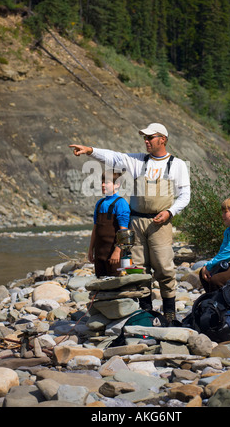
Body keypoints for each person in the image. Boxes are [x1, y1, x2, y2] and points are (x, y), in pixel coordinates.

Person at [69, 122, 190, 321]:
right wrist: (90, 151)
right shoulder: (138, 161)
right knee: (138, 269)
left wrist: (170, 212)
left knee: (165, 268)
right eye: (145, 137)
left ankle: (169, 313)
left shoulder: (178, 165)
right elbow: (114, 156)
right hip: (136, 222)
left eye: (150, 137)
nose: (146, 141)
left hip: (161, 223)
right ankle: (145, 312)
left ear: (163, 139)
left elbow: (185, 195)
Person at [88, 169, 130, 278]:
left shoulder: (121, 203)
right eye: (102, 182)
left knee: (115, 282)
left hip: (113, 253)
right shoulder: (100, 203)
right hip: (99, 252)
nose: (102, 185)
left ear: (117, 185)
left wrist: (117, 251)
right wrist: (90, 249)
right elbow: (95, 228)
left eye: (106, 182)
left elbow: (124, 231)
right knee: (101, 282)